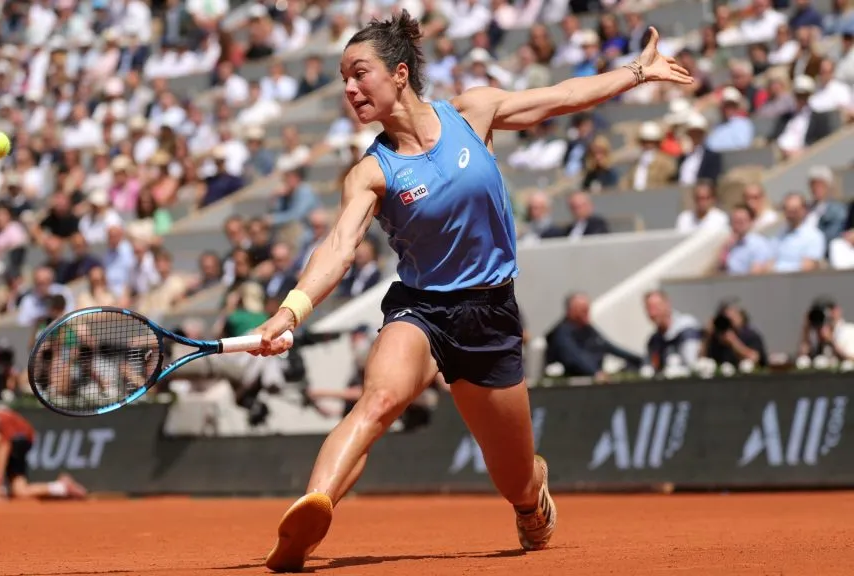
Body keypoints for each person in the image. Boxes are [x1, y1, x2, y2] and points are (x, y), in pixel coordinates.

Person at [247, 11, 691, 573]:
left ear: (400, 74)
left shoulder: (471, 113)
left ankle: (531, 497)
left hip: (489, 314)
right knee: (379, 400)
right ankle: (311, 513)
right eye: (343, 80)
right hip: (421, 308)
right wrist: (290, 311)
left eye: (359, 74)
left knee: (515, 479)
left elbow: (562, 96)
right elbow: (338, 247)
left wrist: (637, 72)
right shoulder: (370, 173)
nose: (350, 89)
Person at [0, 386, 87, 504]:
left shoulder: (2, 418)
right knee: (20, 492)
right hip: (6, 448)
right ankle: (62, 487)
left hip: (21, 442)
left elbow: (4, 449)